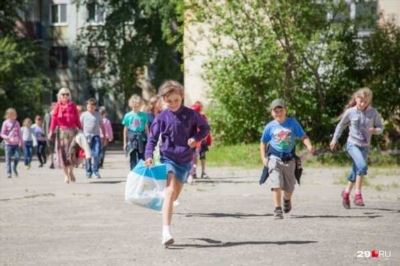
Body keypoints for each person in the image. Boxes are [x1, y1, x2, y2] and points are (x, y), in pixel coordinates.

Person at [144, 80, 210, 247]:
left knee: (173, 196)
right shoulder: (161, 117)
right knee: (170, 191)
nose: (173, 104)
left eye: (176, 100)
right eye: (169, 101)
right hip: (168, 158)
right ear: (164, 100)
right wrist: (148, 155)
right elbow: (152, 138)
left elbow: (205, 128)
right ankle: (165, 232)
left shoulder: (191, 114)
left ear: (181, 97)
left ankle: (166, 200)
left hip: (186, 160)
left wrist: (196, 138)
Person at [260, 99, 314, 219]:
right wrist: (264, 158)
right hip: (274, 158)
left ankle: (286, 199)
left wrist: (309, 145)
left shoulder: (292, 123)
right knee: (276, 183)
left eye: (281, 110)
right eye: (275, 111)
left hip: (289, 160)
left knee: (289, 187)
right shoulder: (270, 126)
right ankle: (277, 209)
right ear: (272, 113)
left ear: (285, 111)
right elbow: (263, 143)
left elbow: (303, 136)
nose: (278, 113)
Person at [330, 88, 383, 209]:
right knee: (362, 166)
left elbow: (381, 128)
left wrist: (375, 130)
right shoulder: (350, 112)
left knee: (356, 169)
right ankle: (358, 194)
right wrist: (334, 139)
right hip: (352, 144)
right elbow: (341, 125)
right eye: (361, 100)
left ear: (369, 101)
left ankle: (346, 192)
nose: (363, 103)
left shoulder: (373, 113)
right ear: (356, 98)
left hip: (365, 146)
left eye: (366, 101)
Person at [48, 88, 81, 183]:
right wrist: (51, 131)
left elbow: (77, 118)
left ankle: (71, 171)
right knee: (63, 154)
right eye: (63, 94)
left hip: (72, 131)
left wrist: (80, 128)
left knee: (72, 153)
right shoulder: (57, 106)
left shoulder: (73, 105)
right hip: (62, 133)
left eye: (67, 94)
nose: (65, 96)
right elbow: (54, 120)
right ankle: (66, 175)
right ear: (59, 96)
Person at [122, 94, 149, 170]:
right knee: (133, 157)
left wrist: (149, 139)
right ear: (131, 105)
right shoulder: (128, 115)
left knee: (142, 157)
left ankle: (142, 173)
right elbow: (125, 129)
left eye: (138, 106)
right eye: (134, 106)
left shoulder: (144, 115)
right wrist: (125, 142)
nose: (136, 108)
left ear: (140, 105)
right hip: (132, 138)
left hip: (142, 138)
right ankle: (133, 172)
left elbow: (146, 128)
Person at [80, 98, 105, 178]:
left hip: (96, 137)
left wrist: (103, 136)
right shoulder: (83, 115)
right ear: (87, 106)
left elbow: (102, 126)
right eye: (89, 106)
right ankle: (88, 171)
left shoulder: (98, 115)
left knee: (97, 153)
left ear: (95, 107)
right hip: (86, 137)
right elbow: (80, 126)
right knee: (88, 154)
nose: (90, 108)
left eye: (92, 106)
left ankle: (95, 170)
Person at [189, 101, 212, 180]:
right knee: (194, 156)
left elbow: (206, 128)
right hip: (195, 139)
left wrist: (205, 138)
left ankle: (200, 172)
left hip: (200, 140)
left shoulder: (202, 116)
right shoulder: (192, 117)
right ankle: (193, 172)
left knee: (200, 156)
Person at [1, 108, 22, 178]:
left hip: (16, 144)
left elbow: (20, 133)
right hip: (8, 144)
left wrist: (20, 142)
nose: (13, 115)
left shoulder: (17, 123)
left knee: (18, 156)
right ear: (8, 115)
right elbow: (1, 133)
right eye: (11, 114)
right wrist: (6, 137)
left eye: (14, 114)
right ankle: (9, 173)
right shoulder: (5, 123)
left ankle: (14, 166)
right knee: (8, 159)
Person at [44, 102, 57, 169]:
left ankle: (56, 162)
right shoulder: (47, 115)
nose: (55, 107)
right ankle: (52, 162)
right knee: (51, 149)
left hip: (58, 133)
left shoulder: (59, 114)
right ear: (51, 107)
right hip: (50, 134)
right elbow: (45, 125)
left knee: (57, 148)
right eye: (53, 106)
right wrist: (45, 134)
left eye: (56, 106)